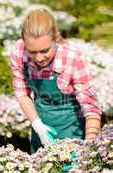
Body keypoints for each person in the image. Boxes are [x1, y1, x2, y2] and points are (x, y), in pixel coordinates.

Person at [10, 8, 101, 154]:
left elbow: (91, 110)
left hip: (72, 133)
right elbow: (22, 94)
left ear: (57, 38)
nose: (39, 58)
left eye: (45, 50)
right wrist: (37, 125)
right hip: (41, 131)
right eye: (32, 52)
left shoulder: (72, 57)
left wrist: (89, 148)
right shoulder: (19, 52)